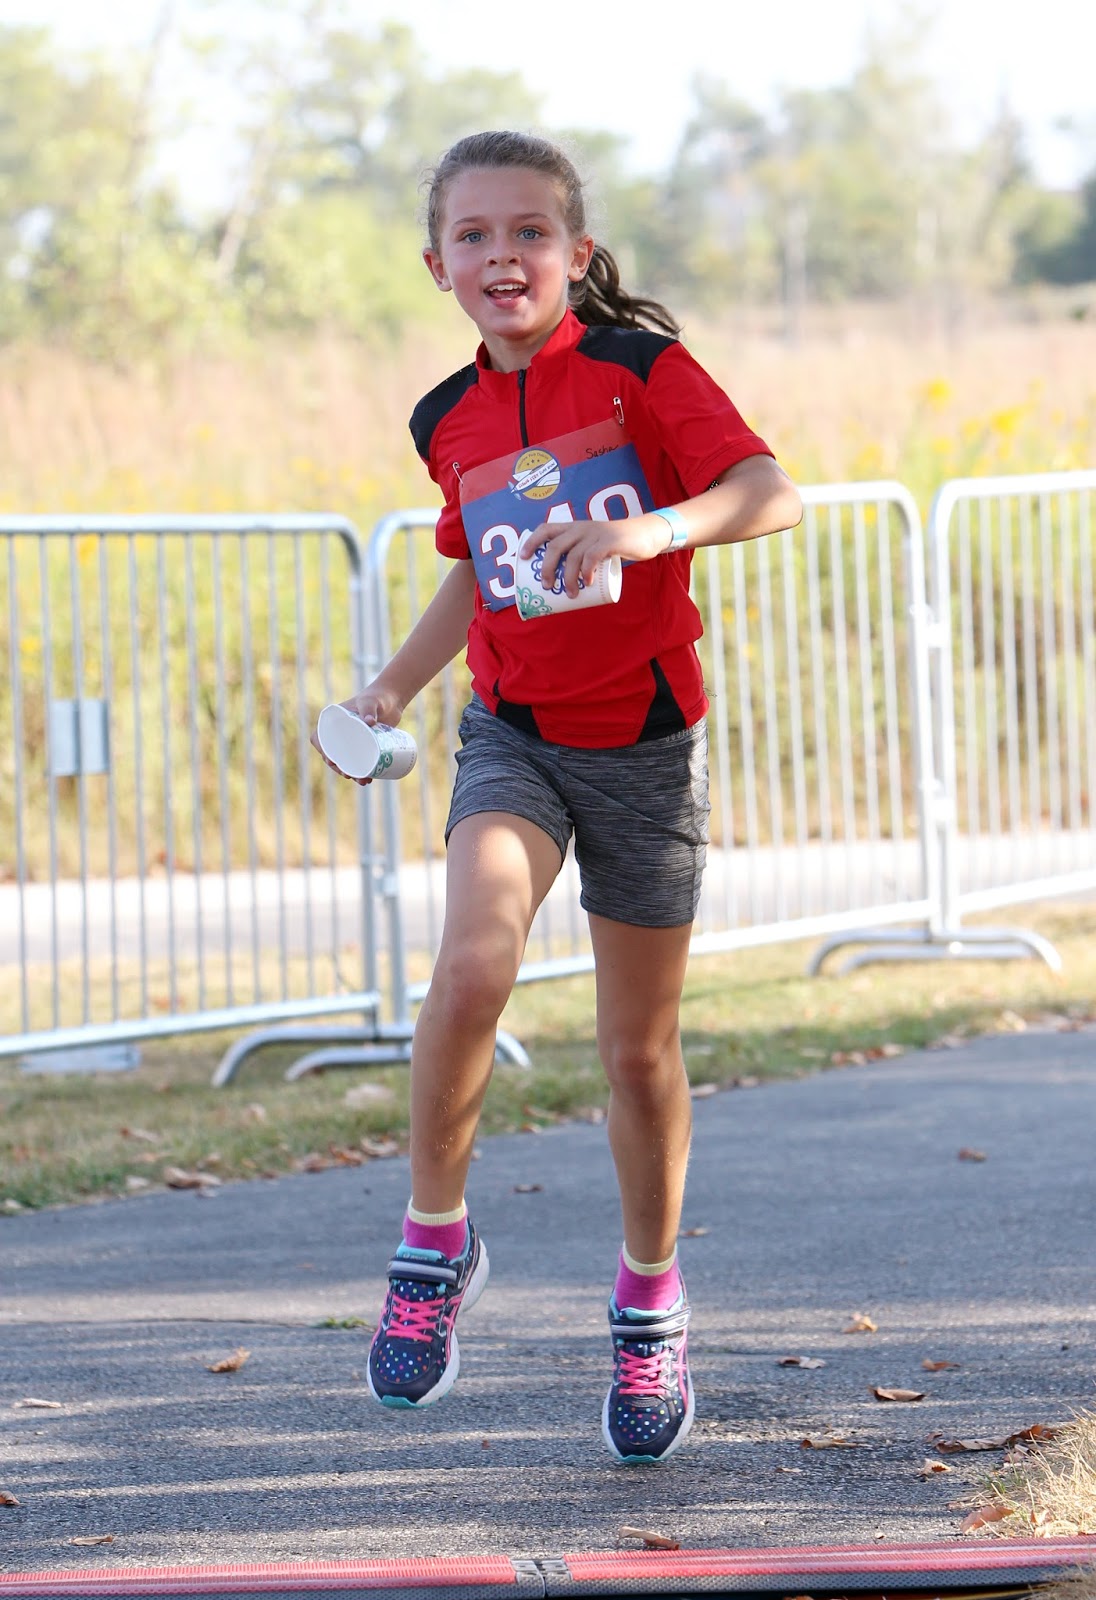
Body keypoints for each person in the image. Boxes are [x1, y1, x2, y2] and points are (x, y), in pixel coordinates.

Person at [313, 129, 802, 1463]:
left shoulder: (642, 371)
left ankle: (650, 1306)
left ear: (576, 257)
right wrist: (392, 690)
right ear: (438, 266)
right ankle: (431, 1249)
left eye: (529, 232)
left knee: (637, 1054)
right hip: (512, 734)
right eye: (474, 236)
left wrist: (652, 527)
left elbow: (770, 489)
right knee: (472, 969)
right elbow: (476, 565)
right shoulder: (445, 418)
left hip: (643, 744)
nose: (502, 256)